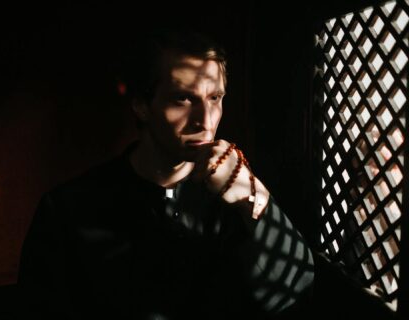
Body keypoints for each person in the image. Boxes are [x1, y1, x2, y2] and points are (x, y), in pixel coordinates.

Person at [18, 28, 314, 319]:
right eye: (183, 99)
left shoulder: (233, 198)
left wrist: (252, 197)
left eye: (215, 98)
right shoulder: (67, 209)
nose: (205, 120)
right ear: (142, 105)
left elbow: (293, 290)